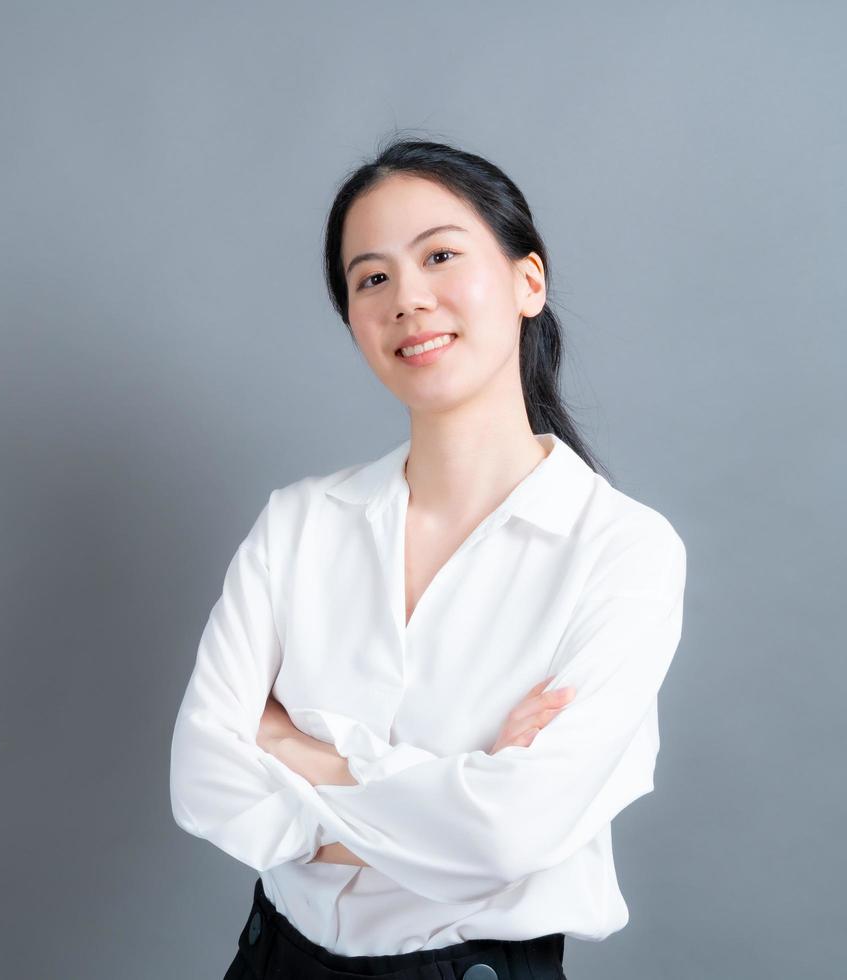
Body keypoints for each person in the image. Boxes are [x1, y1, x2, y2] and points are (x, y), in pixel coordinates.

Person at [168, 137, 687, 980]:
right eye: (371, 278)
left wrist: (301, 755)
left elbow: (508, 836)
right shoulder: (298, 524)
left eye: (440, 255)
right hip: (273, 963)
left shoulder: (622, 551)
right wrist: (459, 784)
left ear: (529, 282)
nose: (408, 299)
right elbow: (203, 784)